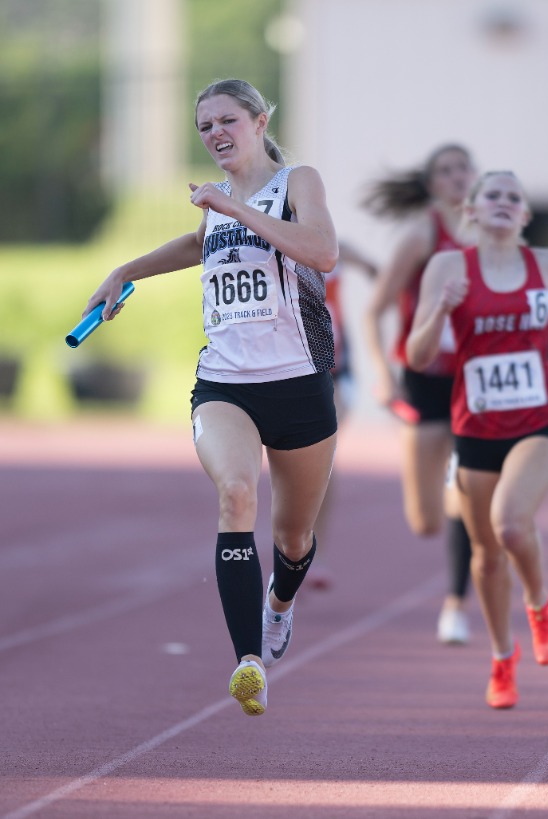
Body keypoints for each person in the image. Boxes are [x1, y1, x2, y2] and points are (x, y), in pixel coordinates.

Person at [82, 79, 340, 715]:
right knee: (236, 493)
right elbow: (199, 245)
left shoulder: (297, 182)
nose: (216, 134)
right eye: (204, 127)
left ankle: (279, 606)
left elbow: (323, 252)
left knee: (295, 538)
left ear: (259, 121)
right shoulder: (216, 202)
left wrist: (237, 213)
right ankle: (248, 661)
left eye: (227, 120)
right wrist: (123, 272)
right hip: (226, 382)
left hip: (300, 382)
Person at [406, 170, 548, 709]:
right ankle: (503, 658)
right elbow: (417, 353)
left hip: (538, 422)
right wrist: (439, 309)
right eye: (492, 196)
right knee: (484, 556)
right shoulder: (448, 267)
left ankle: (540, 604)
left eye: (513, 197)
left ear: (525, 215)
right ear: (473, 211)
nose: (503, 203)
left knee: (510, 523)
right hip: (475, 428)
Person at [363, 144, 477, 644]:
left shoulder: (495, 232)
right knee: (427, 519)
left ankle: (455, 605)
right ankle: (446, 542)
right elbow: (374, 308)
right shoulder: (422, 235)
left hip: (475, 381)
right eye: (446, 170)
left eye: (463, 168)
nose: (457, 177)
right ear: (431, 184)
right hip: (425, 377)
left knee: (466, 494)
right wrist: (381, 371)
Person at [307, 240, 379, 589]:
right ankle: (292, 546)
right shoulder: (269, 238)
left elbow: (364, 260)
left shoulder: (330, 243)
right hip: (286, 369)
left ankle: (313, 553)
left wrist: (375, 271)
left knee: (323, 454)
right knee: (290, 461)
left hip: (334, 369)